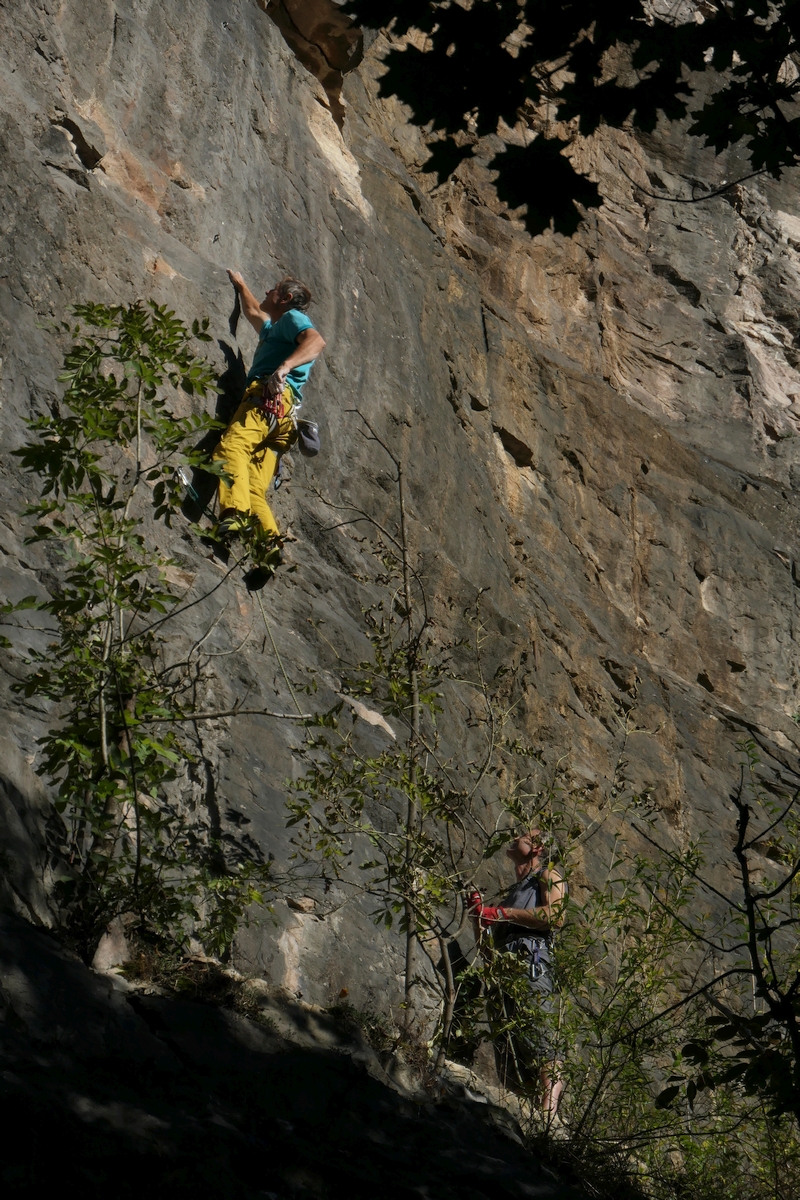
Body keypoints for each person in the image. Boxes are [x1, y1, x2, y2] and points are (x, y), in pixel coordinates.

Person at [212, 270, 326, 548]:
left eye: (273, 290)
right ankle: (269, 548)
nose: (266, 293)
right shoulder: (274, 330)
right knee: (253, 486)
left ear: (285, 298)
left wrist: (284, 367)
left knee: (231, 449)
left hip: (267, 400)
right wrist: (240, 285)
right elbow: (252, 310)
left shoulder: (291, 318)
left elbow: (316, 341)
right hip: (282, 422)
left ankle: (235, 515)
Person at [469, 829, 566, 1116]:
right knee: (510, 1046)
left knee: (540, 1033)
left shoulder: (549, 875)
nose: (514, 837)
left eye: (524, 836)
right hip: (503, 969)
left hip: (530, 960)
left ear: (537, 848)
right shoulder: (514, 893)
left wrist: (500, 914)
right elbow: (486, 952)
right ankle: (523, 1114)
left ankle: (549, 1113)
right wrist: (479, 917)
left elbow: (556, 917)